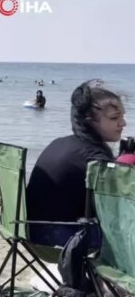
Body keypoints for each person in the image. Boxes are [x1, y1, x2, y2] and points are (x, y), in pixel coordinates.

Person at [26, 80, 126, 246]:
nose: (123, 123)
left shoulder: (58, 142)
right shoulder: (95, 158)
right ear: (90, 120)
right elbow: (115, 209)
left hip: (25, 228)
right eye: (115, 118)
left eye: (123, 116)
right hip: (57, 237)